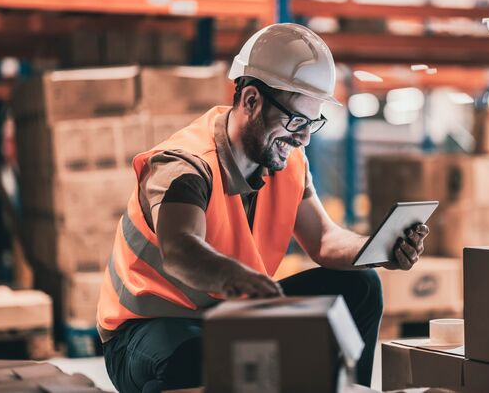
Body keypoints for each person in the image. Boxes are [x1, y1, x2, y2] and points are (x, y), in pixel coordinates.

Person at [97, 23, 430, 392]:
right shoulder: (184, 165)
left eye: (313, 122)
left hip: (232, 311)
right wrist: (240, 280)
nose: (303, 136)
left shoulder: (287, 161)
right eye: (296, 120)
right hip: (147, 330)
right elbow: (181, 249)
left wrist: (379, 248)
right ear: (251, 100)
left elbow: (324, 242)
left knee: (360, 286)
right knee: (201, 358)